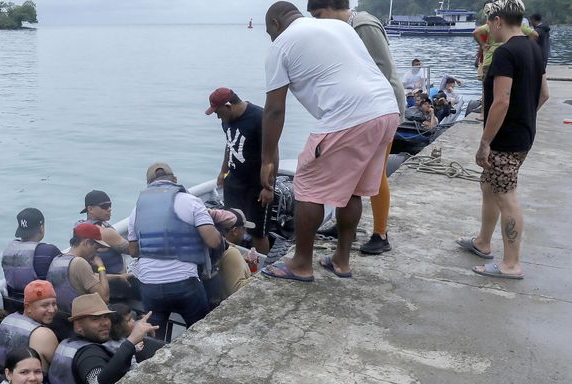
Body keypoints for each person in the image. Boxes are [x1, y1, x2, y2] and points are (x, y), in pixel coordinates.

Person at [260, 2, 400, 282]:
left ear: (275, 24)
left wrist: (266, 160)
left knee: (308, 188)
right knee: (352, 190)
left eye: (269, 32)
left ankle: (301, 264)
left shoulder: (282, 45)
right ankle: (341, 260)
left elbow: (275, 109)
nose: (271, 38)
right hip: (387, 110)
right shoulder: (338, 26)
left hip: (348, 117)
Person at [307, 0, 406, 256]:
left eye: (319, 15)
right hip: (359, 112)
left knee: (376, 173)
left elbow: (382, 70)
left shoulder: (363, 26)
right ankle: (344, 227)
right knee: (350, 172)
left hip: (382, 110)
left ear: (331, 6)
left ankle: (380, 234)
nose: (319, 23)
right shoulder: (344, 29)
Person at [459, 0, 548, 280]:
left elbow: (501, 100)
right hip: (522, 134)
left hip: (506, 139)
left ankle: (511, 264)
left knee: (506, 195)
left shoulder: (506, 53)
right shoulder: (533, 47)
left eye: (489, 24)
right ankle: (483, 242)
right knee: (489, 184)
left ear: (497, 20)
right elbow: (544, 94)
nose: (489, 31)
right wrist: (524, 117)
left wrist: (485, 142)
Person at [127, 162, 223, 339]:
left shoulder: (136, 210)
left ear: (148, 185)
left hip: (150, 286)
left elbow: (133, 251)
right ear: (175, 180)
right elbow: (213, 241)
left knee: (154, 338)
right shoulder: (191, 201)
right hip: (185, 283)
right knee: (200, 331)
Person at [48, 294, 156, 384]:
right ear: (78, 326)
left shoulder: (66, 343)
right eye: (95, 319)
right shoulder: (88, 353)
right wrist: (130, 342)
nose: (105, 323)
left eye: (106, 317)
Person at [206, 87, 270, 254]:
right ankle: (230, 260)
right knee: (230, 225)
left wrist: (268, 186)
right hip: (233, 181)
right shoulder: (227, 119)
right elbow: (230, 144)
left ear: (228, 106)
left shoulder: (260, 118)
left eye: (218, 112)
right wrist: (223, 171)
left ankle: (260, 270)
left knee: (257, 232)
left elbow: (272, 154)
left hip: (256, 185)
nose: (218, 117)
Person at [76, 190, 135, 298]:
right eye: (104, 206)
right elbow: (134, 251)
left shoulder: (79, 226)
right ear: (90, 209)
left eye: (110, 205)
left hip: (94, 283)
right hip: (115, 285)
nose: (109, 209)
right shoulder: (105, 232)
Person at [0, 280, 60, 372]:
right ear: (28, 307)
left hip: (4, 376)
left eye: (54, 304)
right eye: (45, 305)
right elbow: (59, 370)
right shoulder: (44, 334)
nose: (52, 310)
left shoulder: (7, 320)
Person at [46, 223, 110, 313]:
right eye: (95, 248)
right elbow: (105, 298)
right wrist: (101, 267)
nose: (96, 253)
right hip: (79, 317)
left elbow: (85, 278)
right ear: (87, 243)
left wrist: (119, 277)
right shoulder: (80, 263)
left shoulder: (57, 259)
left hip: (60, 315)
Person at [1, 207, 62, 299]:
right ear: (41, 228)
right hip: (43, 305)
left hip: (14, 305)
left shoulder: (8, 250)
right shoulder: (49, 251)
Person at [473, 6, 537, 81]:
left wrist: (483, 45)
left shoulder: (491, 24)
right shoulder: (519, 26)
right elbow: (535, 35)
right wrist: (527, 47)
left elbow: (475, 33)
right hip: (512, 59)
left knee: (489, 89)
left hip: (490, 60)